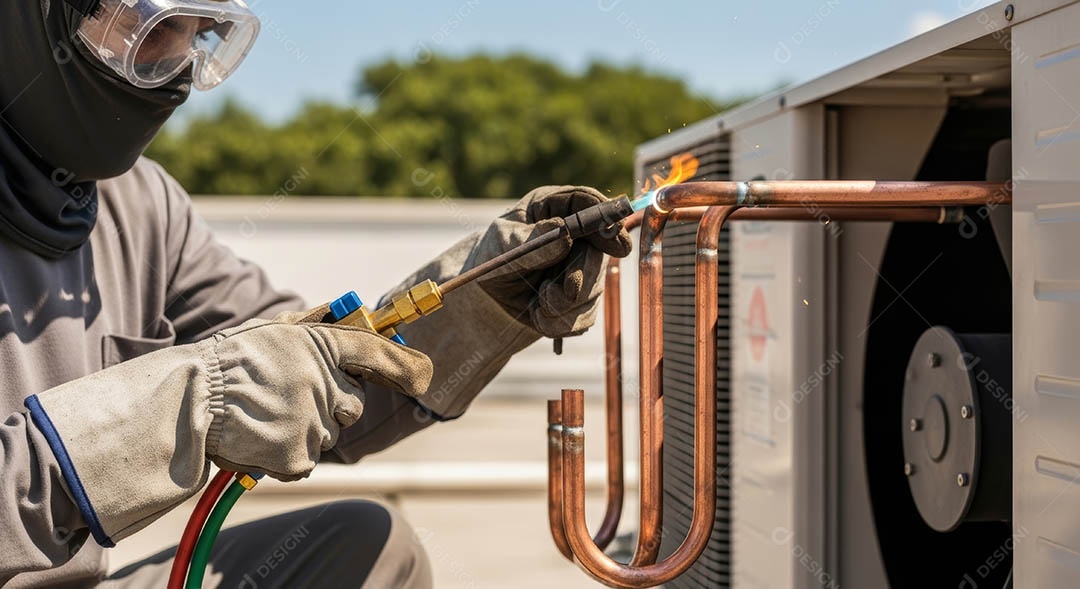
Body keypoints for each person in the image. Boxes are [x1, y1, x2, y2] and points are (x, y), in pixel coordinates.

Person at [0, 1, 632, 587]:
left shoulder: (142, 207)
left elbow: (325, 372)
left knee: (369, 548)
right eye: (157, 28)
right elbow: (207, 394)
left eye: (201, 39)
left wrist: (487, 296)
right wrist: (174, 411)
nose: (175, 74)